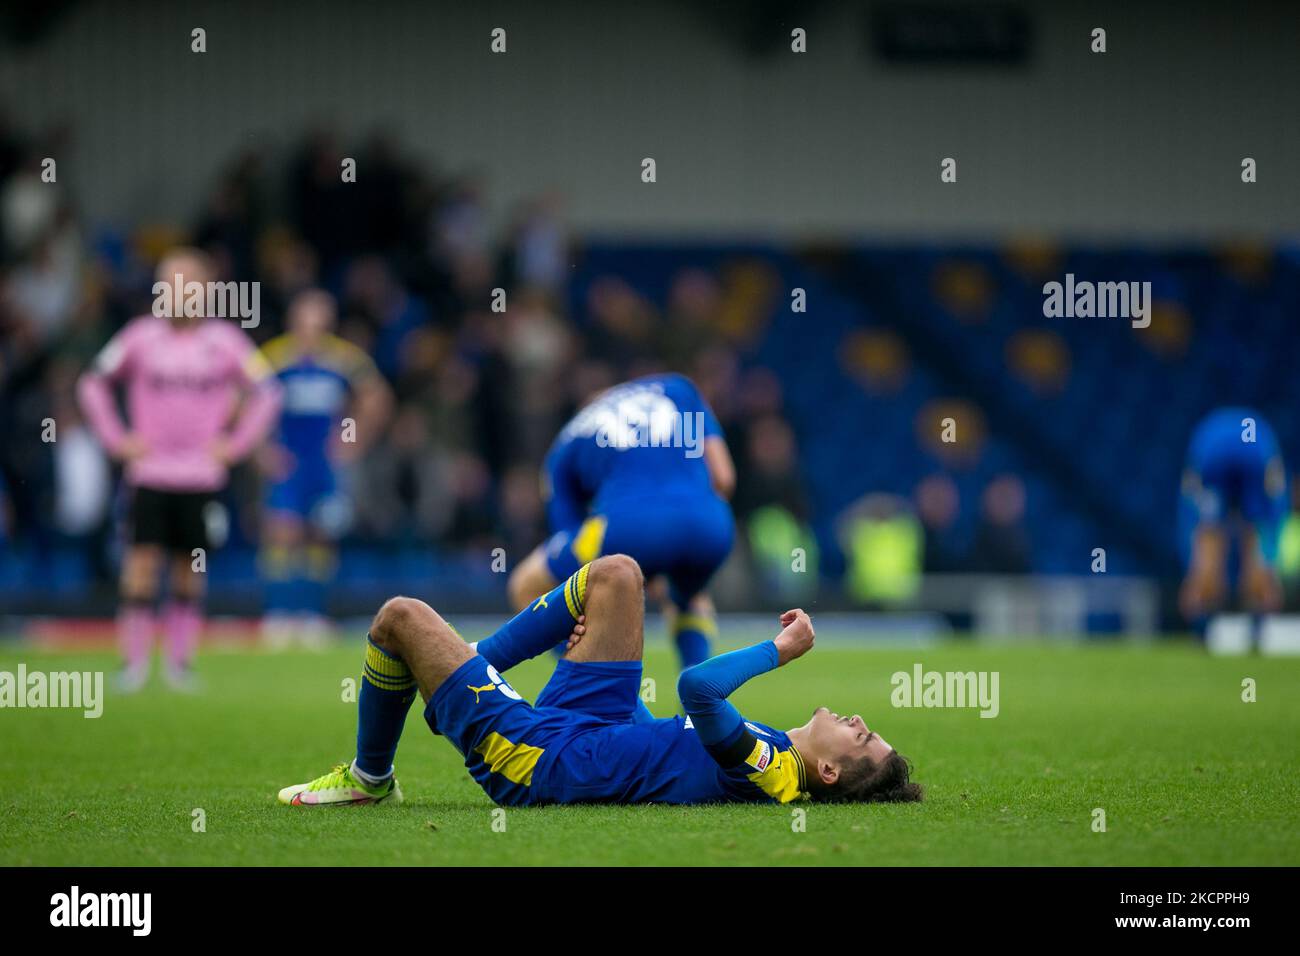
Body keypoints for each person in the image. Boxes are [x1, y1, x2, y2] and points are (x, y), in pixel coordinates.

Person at [278, 554, 921, 807]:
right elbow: (670, 754)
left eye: (864, 742)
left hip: (547, 758)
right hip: (605, 725)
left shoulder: (773, 769)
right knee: (618, 576)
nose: (863, 724)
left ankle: (369, 779)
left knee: (400, 618)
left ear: (830, 773)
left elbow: (696, 688)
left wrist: (779, 650)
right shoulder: (771, 753)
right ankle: (480, 660)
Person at [77, 247, 282, 690]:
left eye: (186, 283)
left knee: (191, 566)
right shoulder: (138, 337)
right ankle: (132, 664)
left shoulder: (225, 342)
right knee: (141, 562)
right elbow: (92, 383)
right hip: (149, 474)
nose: (176, 292)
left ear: (206, 291)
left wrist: (237, 444)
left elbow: (268, 390)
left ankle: (179, 663)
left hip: (200, 476)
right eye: (168, 282)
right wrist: (117, 439)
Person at [507, 373, 735, 669]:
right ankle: (701, 709)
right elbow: (724, 478)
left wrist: (636, 559)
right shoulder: (678, 389)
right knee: (689, 596)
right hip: (710, 526)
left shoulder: (569, 438)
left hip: (625, 530)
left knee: (525, 585)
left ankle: (600, 693)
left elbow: (567, 531)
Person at [256, 289, 391, 648]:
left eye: (319, 322)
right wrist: (262, 449)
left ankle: (312, 615)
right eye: (305, 321)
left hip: (324, 464)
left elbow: (377, 397)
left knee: (321, 534)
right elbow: (242, 400)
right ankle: (280, 615)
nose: (312, 330)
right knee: (282, 533)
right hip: (289, 462)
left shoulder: (343, 358)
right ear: (293, 322)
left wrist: (353, 441)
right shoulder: (274, 357)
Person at [1179, 407, 1288, 623]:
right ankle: (1258, 609)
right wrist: (1271, 563)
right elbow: (1275, 510)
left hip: (1212, 449)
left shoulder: (1208, 437)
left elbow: (1190, 516)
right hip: (1254, 451)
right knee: (1255, 533)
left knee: (1210, 535)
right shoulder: (1263, 440)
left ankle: (1204, 612)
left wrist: (1192, 569)